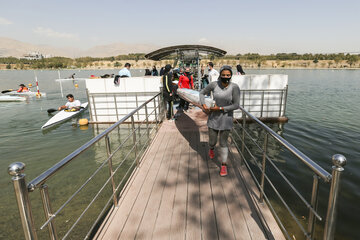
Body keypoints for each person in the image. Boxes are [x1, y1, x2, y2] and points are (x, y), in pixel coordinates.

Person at [200, 65, 240, 177]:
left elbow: (236, 105)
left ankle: (223, 165)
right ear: (220, 75)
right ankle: (211, 148)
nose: (225, 77)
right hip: (213, 118)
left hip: (226, 119)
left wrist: (221, 108)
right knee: (212, 141)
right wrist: (203, 105)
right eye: (223, 75)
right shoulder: (214, 85)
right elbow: (202, 92)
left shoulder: (234, 87)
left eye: (228, 75)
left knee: (223, 143)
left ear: (231, 76)